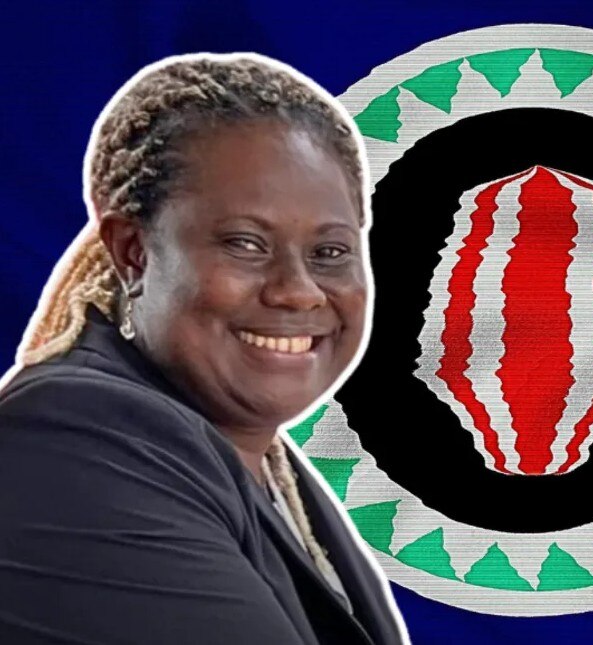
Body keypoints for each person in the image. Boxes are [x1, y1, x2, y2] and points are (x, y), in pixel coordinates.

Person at [0, 53, 409, 645]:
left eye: (330, 252)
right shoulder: (74, 440)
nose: (298, 291)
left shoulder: (261, 465)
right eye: (245, 243)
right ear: (134, 253)